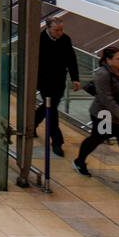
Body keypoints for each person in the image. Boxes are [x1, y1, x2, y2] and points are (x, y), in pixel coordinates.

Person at [74, 46, 119, 192]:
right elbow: (107, 100)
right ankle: (79, 161)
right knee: (96, 139)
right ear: (108, 60)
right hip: (105, 116)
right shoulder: (103, 75)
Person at [34, 16, 80, 157]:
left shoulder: (65, 40)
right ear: (48, 28)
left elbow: (71, 59)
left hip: (59, 80)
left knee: (49, 106)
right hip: (44, 81)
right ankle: (57, 142)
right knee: (51, 108)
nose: (59, 33)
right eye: (56, 30)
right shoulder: (39, 40)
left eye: (61, 30)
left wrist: (75, 78)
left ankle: (32, 122)